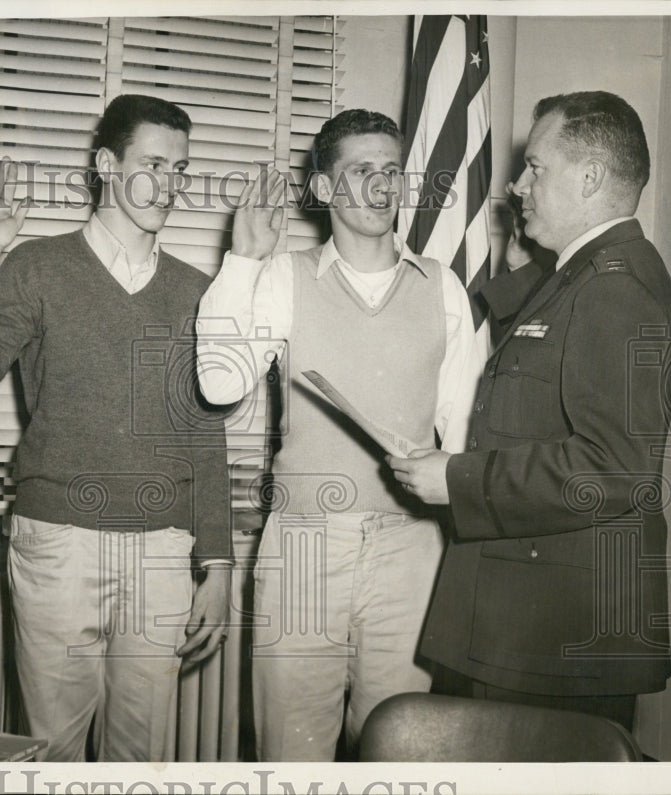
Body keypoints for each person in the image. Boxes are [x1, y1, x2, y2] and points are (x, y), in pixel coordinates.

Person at [0, 94, 232, 762]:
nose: (169, 184)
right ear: (106, 163)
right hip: (58, 544)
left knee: (143, 756)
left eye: (181, 169)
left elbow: (204, 433)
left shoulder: (198, 290)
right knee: (51, 751)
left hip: (163, 547)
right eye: (152, 163)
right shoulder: (35, 267)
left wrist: (216, 560)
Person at [388, 91, 671, 732]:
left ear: (590, 178)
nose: (518, 186)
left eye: (536, 169)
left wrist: (456, 478)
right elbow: (539, 353)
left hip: (556, 632)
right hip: (532, 619)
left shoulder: (615, 289)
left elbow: (614, 469)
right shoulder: (585, 276)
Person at [196, 109, 483, 761]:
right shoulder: (281, 277)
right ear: (324, 189)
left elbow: (466, 435)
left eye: (391, 171)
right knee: (291, 753)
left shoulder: (443, 287)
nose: (382, 186)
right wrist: (242, 259)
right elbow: (217, 384)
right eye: (361, 171)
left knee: (401, 748)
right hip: (302, 548)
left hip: (412, 551)